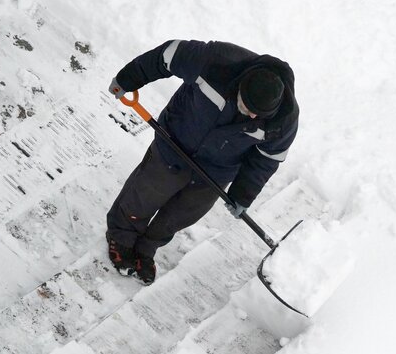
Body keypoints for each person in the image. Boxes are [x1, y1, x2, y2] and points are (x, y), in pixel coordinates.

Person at [105, 39, 298, 284]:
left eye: (258, 115)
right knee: (145, 195)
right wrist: (127, 79)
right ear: (241, 86)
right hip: (175, 141)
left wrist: (243, 194)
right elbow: (167, 55)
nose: (251, 116)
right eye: (248, 107)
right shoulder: (218, 62)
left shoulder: (283, 120)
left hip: (217, 171)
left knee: (181, 215)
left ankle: (147, 248)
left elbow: (266, 160)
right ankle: (121, 238)